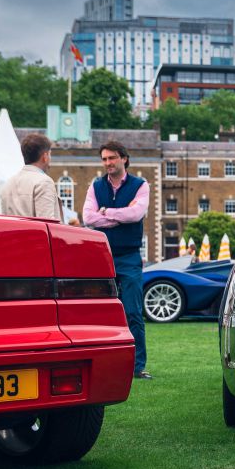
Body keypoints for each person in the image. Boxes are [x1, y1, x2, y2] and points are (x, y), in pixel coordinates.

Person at [84, 141, 152, 380]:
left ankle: (137, 367)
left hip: (129, 257)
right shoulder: (96, 186)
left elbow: (137, 214)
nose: (107, 163)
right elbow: (88, 217)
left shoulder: (140, 185)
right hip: (101, 257)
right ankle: (103, 364)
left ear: (124, 158)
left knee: (133, 311)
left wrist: (106, 212)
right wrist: (119, 215)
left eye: (112, 158)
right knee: (101, 313)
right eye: (104, 159)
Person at [0, 133, 63, 221]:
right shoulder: (44, 182)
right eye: (50, 154)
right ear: (45, 157)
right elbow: (47, 224)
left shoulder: (8, 183)